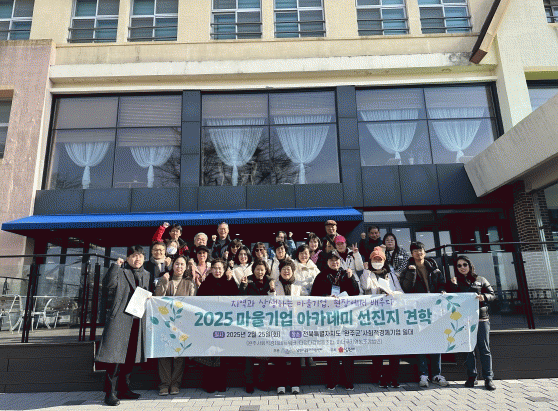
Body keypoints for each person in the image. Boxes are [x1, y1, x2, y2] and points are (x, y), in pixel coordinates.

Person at [95, 246, 152, 406]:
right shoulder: (120, 271)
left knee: (130, 357)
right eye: (133, 256)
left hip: (137, 320)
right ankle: (110, 392)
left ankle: (124, 389)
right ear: (127, 258)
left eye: (140, 256)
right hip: (120, 319)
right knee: (115, 357)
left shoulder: (147, 274)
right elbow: (108, 285)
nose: (137, 259)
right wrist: (115, 266)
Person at [401, 242, 449, 388]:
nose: (418, 253)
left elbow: (442, 283)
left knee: (436, 341)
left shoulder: (434, 267)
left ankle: (436, 374)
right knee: (421, 342)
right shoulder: (407, 269)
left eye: (420, 250)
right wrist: (411, 273)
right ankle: (423, 374)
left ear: (424, 252)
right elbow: (406, 288)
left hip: (434, 309)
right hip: (418, 311)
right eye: (415, 251)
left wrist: (442, 291)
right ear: (411, 254)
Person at [311, 252, 360, 390]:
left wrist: (351, 278)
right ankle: (333, 380)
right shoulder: (321, 276)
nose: (334, 263)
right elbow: (314, 295)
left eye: (336, 260)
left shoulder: (346, 273)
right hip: (330, 318)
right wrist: (326, 297)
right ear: (327, 262)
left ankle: (349, 381)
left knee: (347, 350)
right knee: (333, 350)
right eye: (331, 260)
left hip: (346, 317)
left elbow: (355, 293)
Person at [448, 256, 497, 391]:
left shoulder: (480, 280)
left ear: (470, 265)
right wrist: (453, 286)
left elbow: (493, 295)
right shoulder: (454, 281)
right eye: (459, 266)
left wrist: (484, 297)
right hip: (464, 320)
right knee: (468, 350)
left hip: (481, 319)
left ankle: (488, 378)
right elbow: (451, 299)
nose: (462, 267)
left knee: (484, 349)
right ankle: (472, 377)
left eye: (465, 264)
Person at [360, 247, 402, 388]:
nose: (377, 261)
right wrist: (366, 270)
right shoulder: (368, 273)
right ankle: (379, 376)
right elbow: (365, 286)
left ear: (384, 261)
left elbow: (400, 291)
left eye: (380, 259)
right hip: (374, 315)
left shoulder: (391, 275)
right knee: (377, 346)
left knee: (393, 346)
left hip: (390, 315)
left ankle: (394, 377)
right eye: (375, 259)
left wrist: (392, 294)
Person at [154, 256, 195, 396]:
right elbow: (157, 297)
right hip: (165, 322)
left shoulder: (189, 284)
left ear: (186, 267)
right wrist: (163, 282)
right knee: (164, 354)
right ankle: (164, 384)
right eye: (177, 264)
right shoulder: (166, 279)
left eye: (182, 264)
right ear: (172, 266)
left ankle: (175, 384)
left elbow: (192, 305)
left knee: (179, 355)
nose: (179, 267)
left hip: (182, 324)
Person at [196, 258, 238, 393]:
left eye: (220, 268)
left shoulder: (230, 282)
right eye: (215, 268)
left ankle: (221, 383)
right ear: (211, 269)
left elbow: (236, 300)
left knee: (222, 355)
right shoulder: (205, 284)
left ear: (224, 270)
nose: (217, 271)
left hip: (225, 324)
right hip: (209, 324)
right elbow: (199, 302)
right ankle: (209, 384)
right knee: (209, 354)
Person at [239, 260, 276, 393]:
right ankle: (249, 382)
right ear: (253, 270)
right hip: (250, 321)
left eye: (262, 270)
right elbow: (240, 298)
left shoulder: (270, 282)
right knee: (249, 354)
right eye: (257, 269)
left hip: (266, 322)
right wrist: (243, 285)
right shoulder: (247, 280)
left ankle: (262, 381)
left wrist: (272, 289)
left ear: (266, 271)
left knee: (264, 354)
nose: (260, 272)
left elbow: (274, 301)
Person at [274, 259, 302, 394]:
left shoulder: (299, 285)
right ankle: (281, 384)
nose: (286, 271)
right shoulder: (274, 284)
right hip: (280, 324)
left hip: (295, 323)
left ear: (293, 271)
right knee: (280, 355)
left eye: (288, 269)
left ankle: (295, 384)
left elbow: (306, 302)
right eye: (283, 269)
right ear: (280, 271)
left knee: (295, 355)